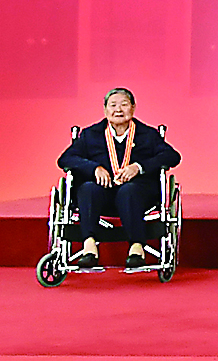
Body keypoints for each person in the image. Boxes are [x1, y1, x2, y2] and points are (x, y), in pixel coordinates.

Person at [58, 88, 182, 271]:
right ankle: (89, 246)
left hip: (138, 193)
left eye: (124, 105)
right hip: (102, 192)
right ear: (105, 109)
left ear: (133, 108)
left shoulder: (147, 134)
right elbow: (65, 159)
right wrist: (94, 168)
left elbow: (172, 156)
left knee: (129, 191)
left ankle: (136, 247)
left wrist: (139, 167)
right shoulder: (90, 134)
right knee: (87, 189)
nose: (118, 110)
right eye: (113, 105)